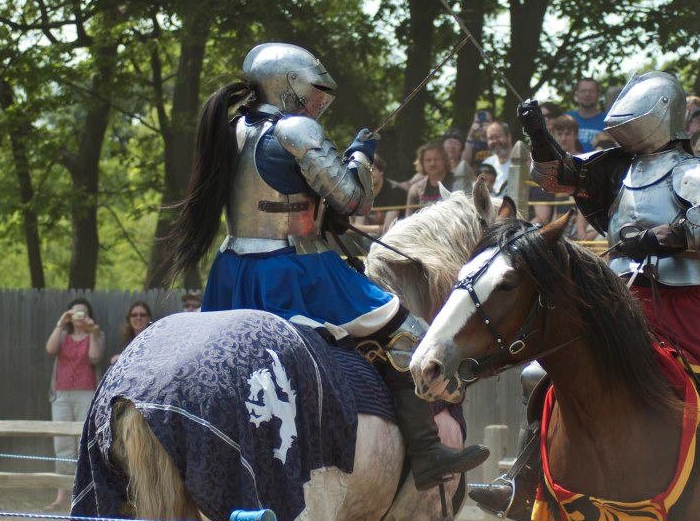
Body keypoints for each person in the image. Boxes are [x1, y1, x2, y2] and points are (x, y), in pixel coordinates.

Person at [164, 43, 488, 491]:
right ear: (290, 86)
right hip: (294, 268)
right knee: (410, 331)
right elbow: (354, 200)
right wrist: (359, 155)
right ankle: (428, 453)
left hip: (233, 268)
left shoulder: (234, 128)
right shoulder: (295, 130)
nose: (321, 101)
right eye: (316, 90)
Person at [473, 72, 700, 515]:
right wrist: (538, 133)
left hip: (681, 301)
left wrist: (655, 238)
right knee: (537, 373)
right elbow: (560, 177)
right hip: (617, 298)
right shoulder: (618, 167)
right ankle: (523, 479)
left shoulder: (697, 173)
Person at [45, 298, 104, 509]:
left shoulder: (96, 334)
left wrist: (93, 333)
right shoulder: (62, 334)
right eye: (75, 313)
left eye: (84, 313)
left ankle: (84, 494)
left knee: (84, 443)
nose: (79, 317)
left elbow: (95, 358)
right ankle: (61, 495)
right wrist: (61, 323)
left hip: (86, 395)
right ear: (69, 315)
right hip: (61, 395)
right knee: (62, 444)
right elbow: (50, 349)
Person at [352, 154, 407, 237]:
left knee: (370, 237)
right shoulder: (363, 192)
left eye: (372, 169)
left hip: (397, 237)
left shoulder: (395, 191)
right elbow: (357, 225)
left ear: (381, 171)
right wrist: (376, 228)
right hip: (372, 235)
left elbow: (388, 228)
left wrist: (363, 229)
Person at [407, 140, 455, 214]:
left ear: (445, 160)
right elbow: (410, 219)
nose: (432, 163)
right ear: (422, 163)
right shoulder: (415, 190)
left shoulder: (457, 182)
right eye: (428, 160)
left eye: (436, 159)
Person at [565, 78, 607, 149]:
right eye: (583, 91)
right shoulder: (566, 119)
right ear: (576, 94)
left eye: (591, 91)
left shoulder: (608, 121)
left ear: (598, 94)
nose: (587, 94)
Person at [483, 121, 513, 196]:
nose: (495, 141)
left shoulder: (525, 162)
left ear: (508, 137)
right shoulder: (487, 163)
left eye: (498, 137)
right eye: (491, 138)